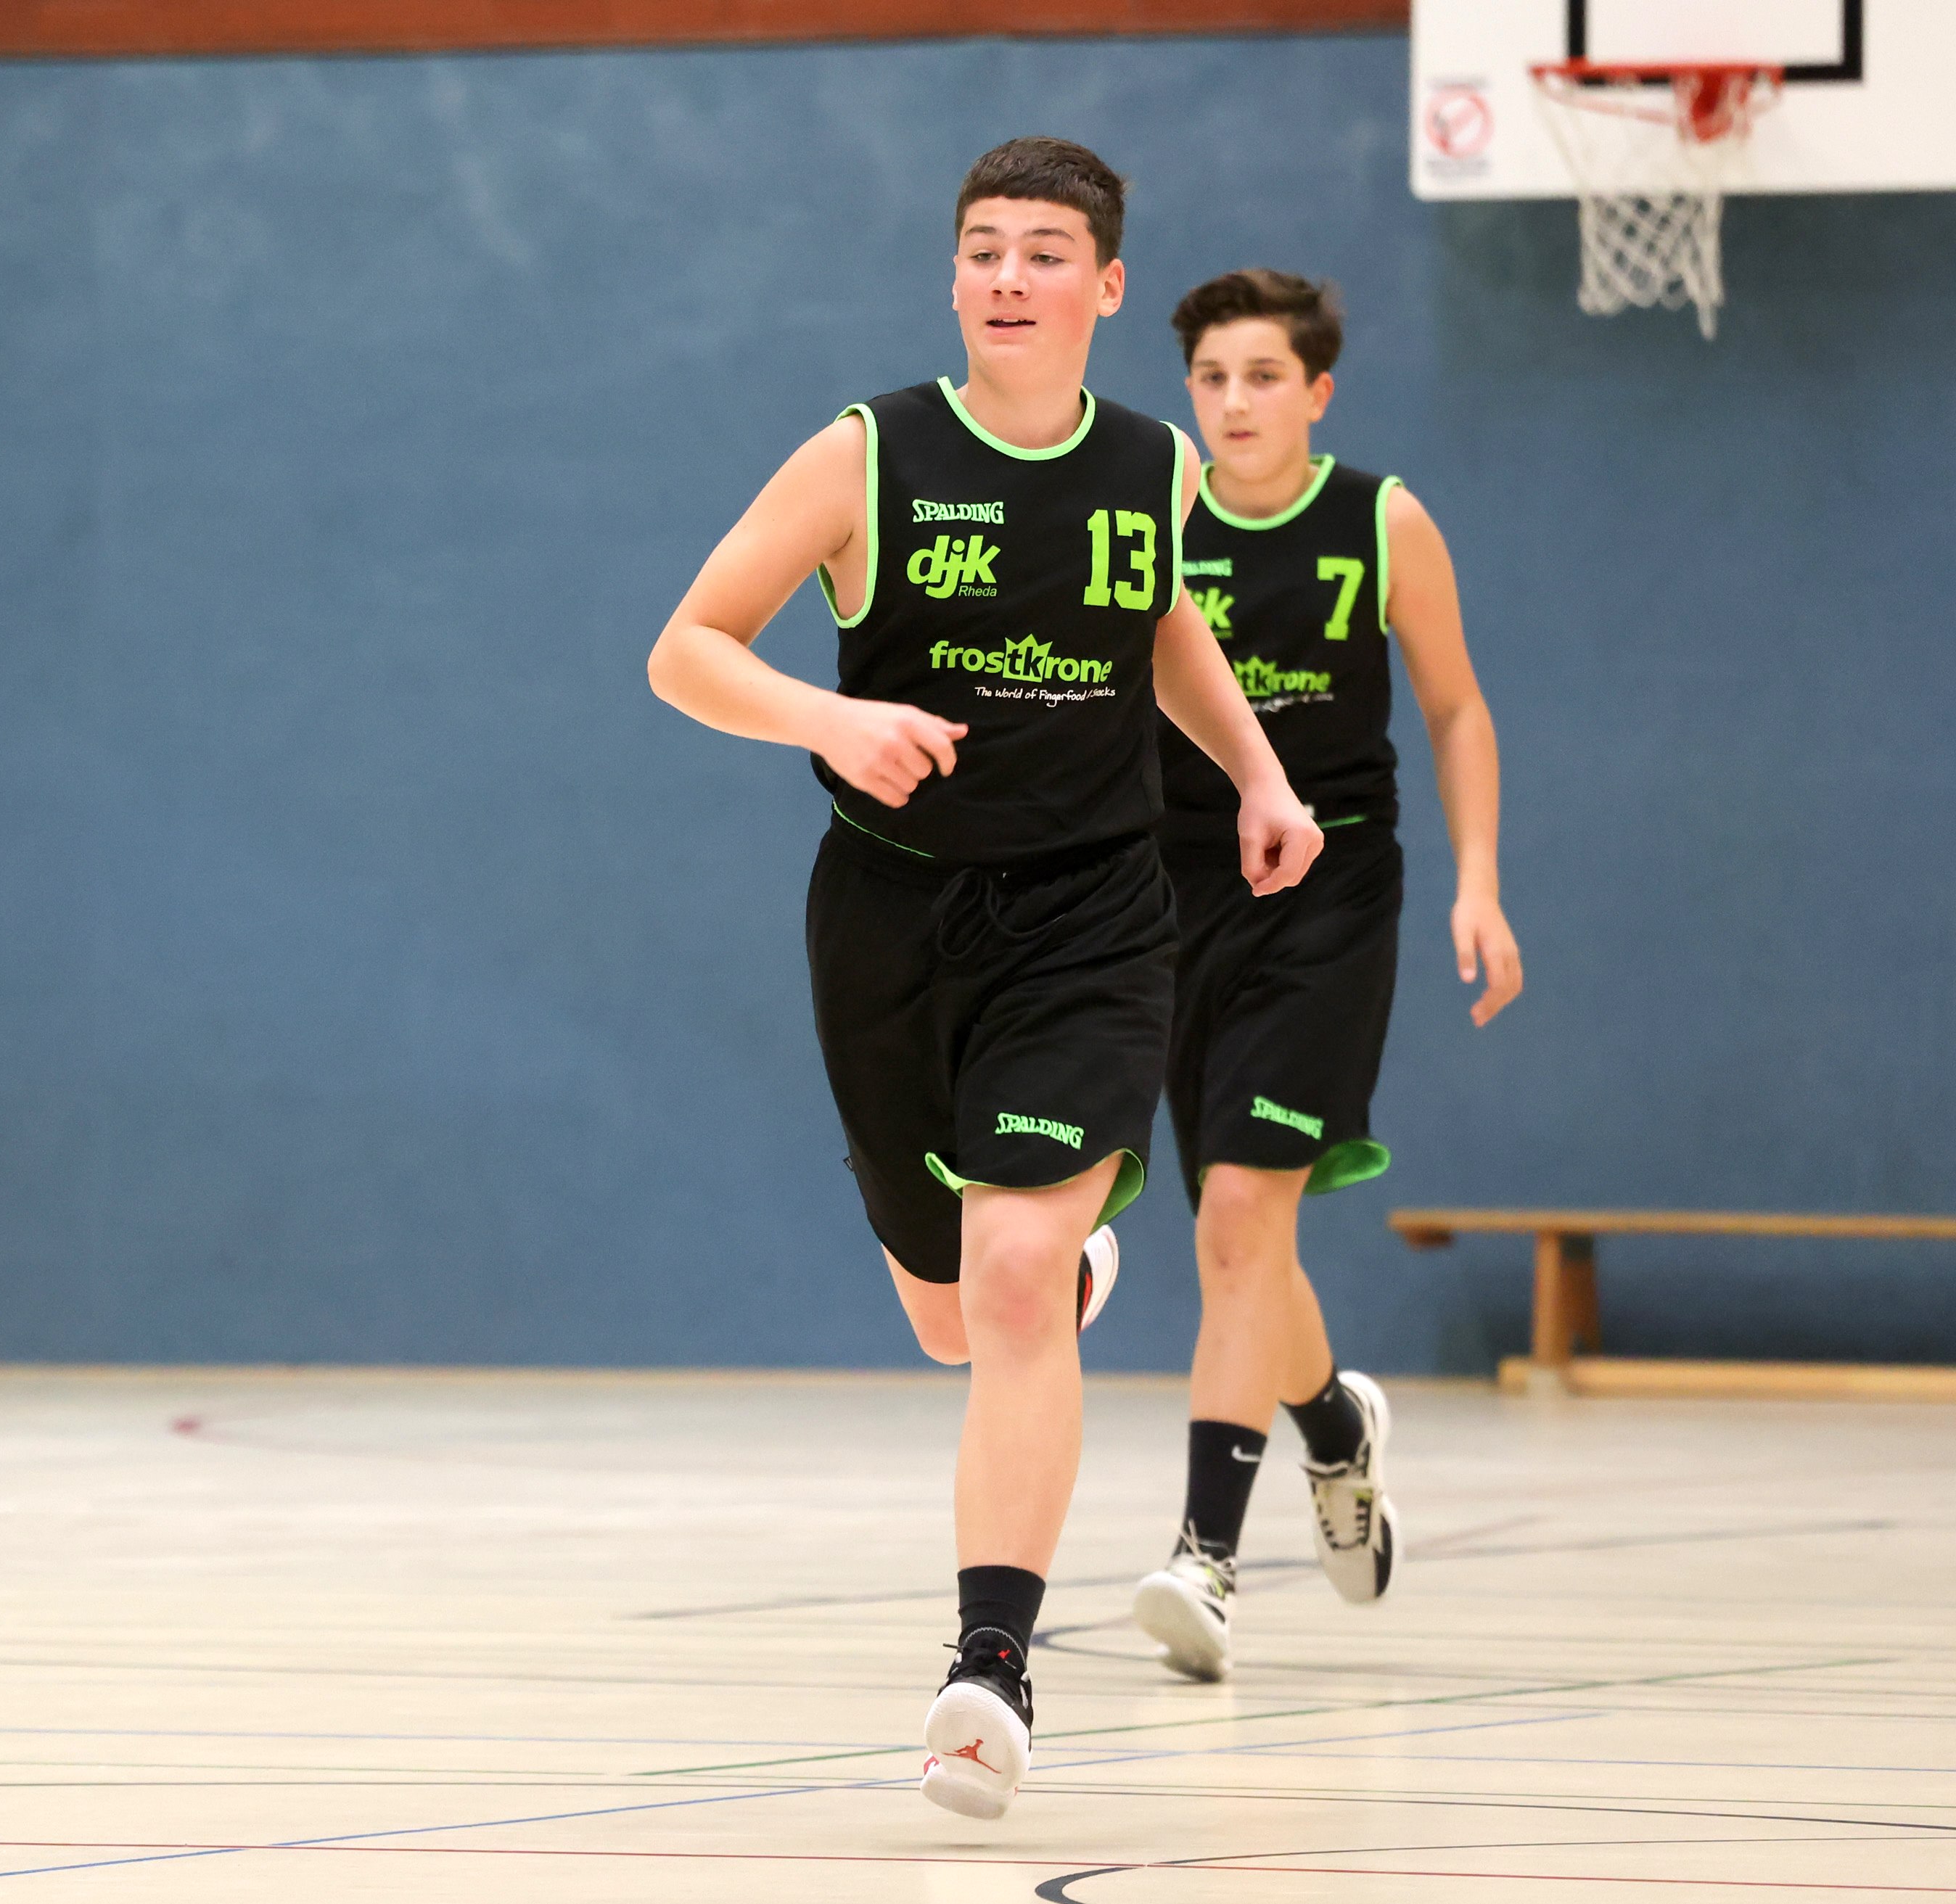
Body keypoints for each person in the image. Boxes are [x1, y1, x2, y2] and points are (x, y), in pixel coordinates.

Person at [645, 140, 1320, 1821]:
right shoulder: (865, 454)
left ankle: (988, 1665)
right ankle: (1064, 1253)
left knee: (1009, 1280)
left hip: (1089, 919)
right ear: (951, 278)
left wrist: (1255, 772)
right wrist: (828, 717)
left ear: (1104, 285)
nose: (1006, 276)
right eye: (980, 249)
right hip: (888, 925)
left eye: (1041, 251)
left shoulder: (1151, 463)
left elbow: (1155, 622)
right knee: (951, 1312)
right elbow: (686, 649)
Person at [1127, 270, 1522, 1683]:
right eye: (1210, 378)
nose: (1233, 402)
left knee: (1243, 1215)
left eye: (1260, 376)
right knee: (1242, 1242)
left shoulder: (1380, 520)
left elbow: (1455, 706)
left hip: (1330, 890)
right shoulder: (1150, 521)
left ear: (1316, 391)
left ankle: (1204, 1557)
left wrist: (1477, 883)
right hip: (1176, 891)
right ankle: (1335, 1429)